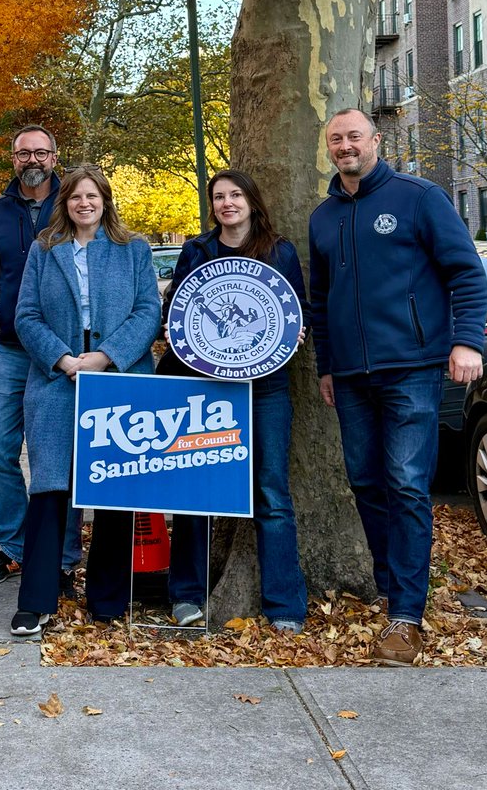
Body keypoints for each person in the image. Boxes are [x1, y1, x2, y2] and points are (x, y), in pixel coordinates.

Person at [309, 108, 487, 665]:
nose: (345, 145)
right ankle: (394, 591)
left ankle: (407, 615)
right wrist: (327, 366)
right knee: (365, 481)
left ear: (375, 141)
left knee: (407, 484)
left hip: (411, 366)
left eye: (354, 136)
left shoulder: (418, 197)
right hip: (352, 376)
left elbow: (465, 271)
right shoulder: (323, 217)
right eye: (336, 139)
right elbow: (320, 302)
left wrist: (467, 342)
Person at [10, 164, 161, 635]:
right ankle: (36, 601)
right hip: (58, 383)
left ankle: (108, 601)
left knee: (114, 490)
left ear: (105, 200)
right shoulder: (44, 250)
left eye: (93, 196)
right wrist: (63, 359)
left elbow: (147, 312)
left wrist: (105, 357)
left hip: (118, 382)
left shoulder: (132, 249)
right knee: (51, 490)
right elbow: (26, 315)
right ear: (65, 203)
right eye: (76, 197)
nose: (85, 204)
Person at [158, 169, 309, 633]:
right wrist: (173, 329)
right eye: (219, 197)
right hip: (205, 389)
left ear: (251, 200)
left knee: (271, 492)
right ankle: (186, 594)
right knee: (197, 491)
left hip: (265, 389)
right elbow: (175, 311)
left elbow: (295, 309)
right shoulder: (197, 250)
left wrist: (296, 333)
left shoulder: (279, 250)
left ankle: (284, 603)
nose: (227, 203)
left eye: (236, 194)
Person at [0, 125, 83, 589]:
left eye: (42, 152)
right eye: (24, 153)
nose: (33, 159)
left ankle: (61, 556)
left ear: (56, 157)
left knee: (60, 457)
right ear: (13, 159)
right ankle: (16, 547)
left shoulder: (76, 205)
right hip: (13, 351)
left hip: (65, 355)